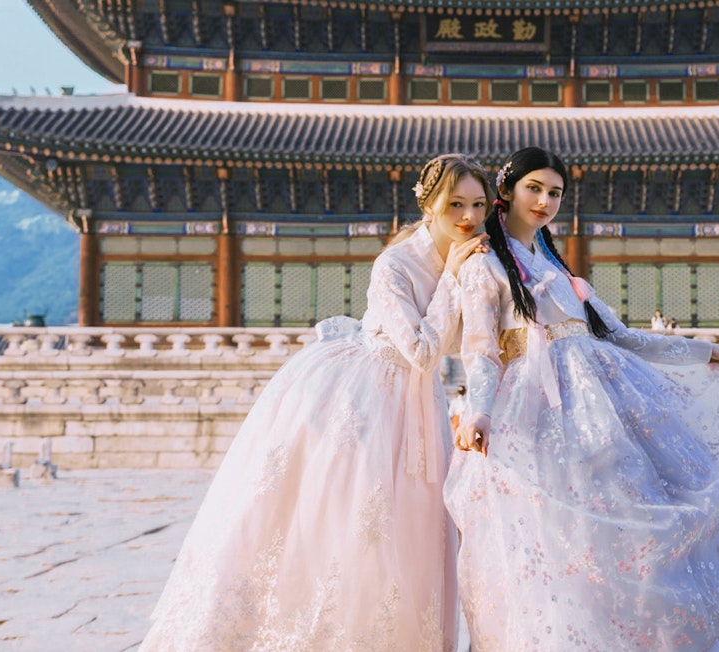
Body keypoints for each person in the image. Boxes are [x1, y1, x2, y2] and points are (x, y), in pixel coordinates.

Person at [141, 154, 493, 652]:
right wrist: (453, 280)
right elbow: (420, 350)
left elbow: (465, 340)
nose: (469, 216)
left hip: (418, 402)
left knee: (416, 527)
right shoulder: (394, 264)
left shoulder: (469, 258)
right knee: (358, 520)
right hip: (366, 394)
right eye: (456, 204)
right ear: (429, 205)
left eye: (478, 205)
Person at [444, 147, 719, 652]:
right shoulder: (484, 263)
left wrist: (700, 351)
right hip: (538, 414)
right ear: (506, 190)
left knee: (644, 520)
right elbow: (481, 352)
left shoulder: (557, 265)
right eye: (534, 188)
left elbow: (622, 336)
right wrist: (480, 411)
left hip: (605, 407)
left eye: (555, 193)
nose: (544, 201)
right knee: (563, 537)